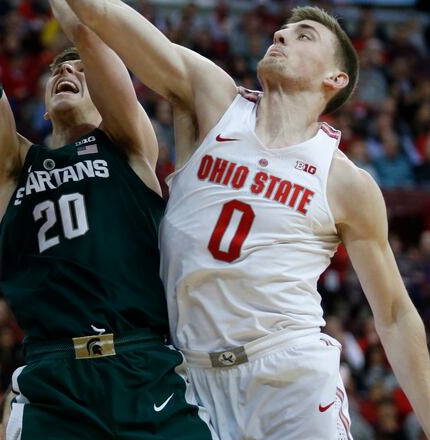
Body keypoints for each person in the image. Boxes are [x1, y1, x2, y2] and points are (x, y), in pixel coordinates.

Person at [65, 2, 430, 438]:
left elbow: (392, 314)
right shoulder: (213, 100)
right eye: (281, 31)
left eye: (303, 36)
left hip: (289, 372)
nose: (280, 37)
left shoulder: (346, 181)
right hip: (191, 376)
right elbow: (101, 15)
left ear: (335, 79)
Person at [0, 0, 214, 438]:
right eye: (56, 71)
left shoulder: (128, 142)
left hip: (140, 364)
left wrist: (76, 31)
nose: (65, 73)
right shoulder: (14, 165)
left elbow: (90, 32)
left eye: (78, 70)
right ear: (42, 106)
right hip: (54, 379)